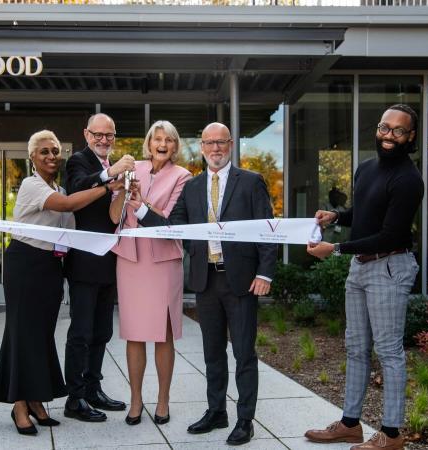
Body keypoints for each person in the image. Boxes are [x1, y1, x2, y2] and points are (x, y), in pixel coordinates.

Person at [136, 122, 277, 446]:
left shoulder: (251, 182)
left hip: (241, 281)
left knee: (243, 353)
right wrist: (140, 208)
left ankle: (244, 420)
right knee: (212, 354)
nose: (215, 148)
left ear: (230, 145)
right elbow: (174, 227)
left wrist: (265, 273)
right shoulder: (194, 187)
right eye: (209, 143)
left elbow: (268, 230)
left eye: (221, 142)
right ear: (201, 147)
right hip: (206, 280)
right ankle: (217, 412)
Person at [0, 130, 122, 436]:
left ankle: (36, 400)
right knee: (22, 334)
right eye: (44, 151)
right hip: (25, 264)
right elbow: (68, 205)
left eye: (55, 151)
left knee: (42, 335)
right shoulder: (31, 185)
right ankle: (19, 404)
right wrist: (107, 185)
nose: (51, 156)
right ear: (32, 157)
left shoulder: (57, 186)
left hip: (50, 267)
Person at [305, 104, 424, 450]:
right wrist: (336, 217)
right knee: (356, 347)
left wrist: (337, 250)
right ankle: (350, 424)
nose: (389, 136)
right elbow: (364, 213)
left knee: (388, 351)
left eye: (398, 131)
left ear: (410, 137)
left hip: (390, 266)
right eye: (385, 128)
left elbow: (389, 233)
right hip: (361, 267)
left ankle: (391, 435)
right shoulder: (366, 169)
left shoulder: (408, 179)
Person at [109, 120, 191, 425]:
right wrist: (121, 190)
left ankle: (163, 401)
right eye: (157, 138)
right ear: (149, 142)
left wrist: (141, 202)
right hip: (130, 260)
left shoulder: (183, 177)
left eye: (169, 139)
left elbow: (170, 220)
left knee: (163, 334)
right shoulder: (133, 168)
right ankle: (135, 401)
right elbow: (115, 217)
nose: (162, 144)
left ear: (174, 146)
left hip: (163, 261)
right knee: (134, 333)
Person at [63, 113, 134, 422]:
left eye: (109, 135)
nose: (104, 140)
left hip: (109, 261)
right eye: (98, 134)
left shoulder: (111, 167)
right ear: (86, 134)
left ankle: (93, 388)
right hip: (83, 263)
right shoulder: (78, 161)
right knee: (81, 331)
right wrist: (110, 176)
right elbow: (77, 188)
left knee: (102, 331)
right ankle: (74, 398)